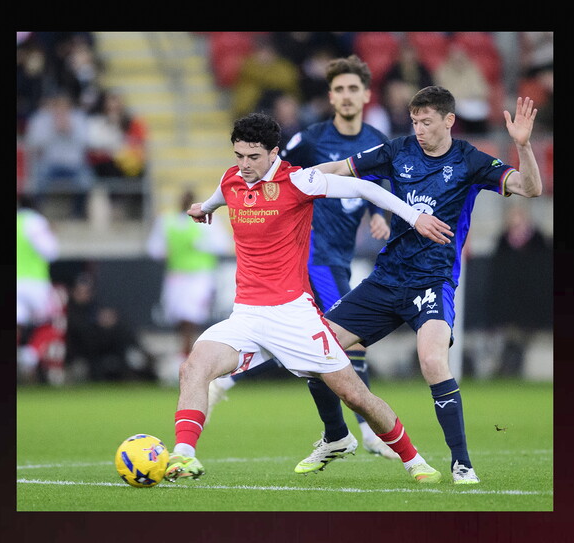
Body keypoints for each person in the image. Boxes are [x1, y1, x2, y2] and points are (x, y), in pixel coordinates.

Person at [165, 112, 455, 484]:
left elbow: (366, 188)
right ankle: (183, 456)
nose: (245, 165)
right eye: (239, 155)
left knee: (356, 396)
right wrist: (203, 209)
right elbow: (222, 194)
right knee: (194, 368)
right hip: (246, 317)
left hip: (293, 315)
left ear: (274, 153)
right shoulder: (232, 179)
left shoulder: (300, 180)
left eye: (253, 157)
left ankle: (414, 460)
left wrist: (413, 217)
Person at [310, 86, 544, 484]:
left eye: (426, 121)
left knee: (433, 362)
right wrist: (292, 178)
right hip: (386, 280)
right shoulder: (398, 150)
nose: (418, 129)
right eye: (414, 120)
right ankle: (336, 436)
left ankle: (462, 463)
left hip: (433, 282)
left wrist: (522, 146)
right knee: (312, 349)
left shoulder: (469, 159)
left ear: (449, 120)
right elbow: (341, 169)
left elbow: (530, 188)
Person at [206, 55, 400, 463]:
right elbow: (271, 174)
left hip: (341, 253)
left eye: (353, 89)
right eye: (339, 89)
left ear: (366, 95)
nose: (346, 97)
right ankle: (367, 432)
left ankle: (231, 379)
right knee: (344, 334)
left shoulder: (378, 140)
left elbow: (375, 185)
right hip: (312, 253)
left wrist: (378, 215)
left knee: (317, 338)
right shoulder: (311, 138)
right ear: (330, 97)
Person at [146, 188, 232, 360]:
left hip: (200, 276)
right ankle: (184, 353)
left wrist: (203, 244)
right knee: (177, 315)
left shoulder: (208, 221)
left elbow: (223, 244)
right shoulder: (167, 221)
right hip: (176, 276)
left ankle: (187, 354)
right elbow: (154, 248)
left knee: (191, 315)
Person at [486, 203, 551, 376]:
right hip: (509, 299)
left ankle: (516, 361)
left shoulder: (537, 239)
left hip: (531, 298)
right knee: (510, 332)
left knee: (526, 328)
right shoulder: (503, 240)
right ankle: (509, 364)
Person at [25, 92, 93, 219]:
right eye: (58, 105)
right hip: (49, 163)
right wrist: (53, 130)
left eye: (65, 105)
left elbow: (86, 142)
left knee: (86, 180)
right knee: (36, 178)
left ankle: (77, 214)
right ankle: (37, 214)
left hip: (74, 164)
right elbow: (33, 142)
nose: (61, 109)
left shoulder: (79, 118)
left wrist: (70, 130)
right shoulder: (41, 119)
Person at [16, 194, 62, 382]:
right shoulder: (35, 222)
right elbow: (51, 251)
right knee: (52, 322)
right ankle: (29, 356)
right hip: (34, 283)